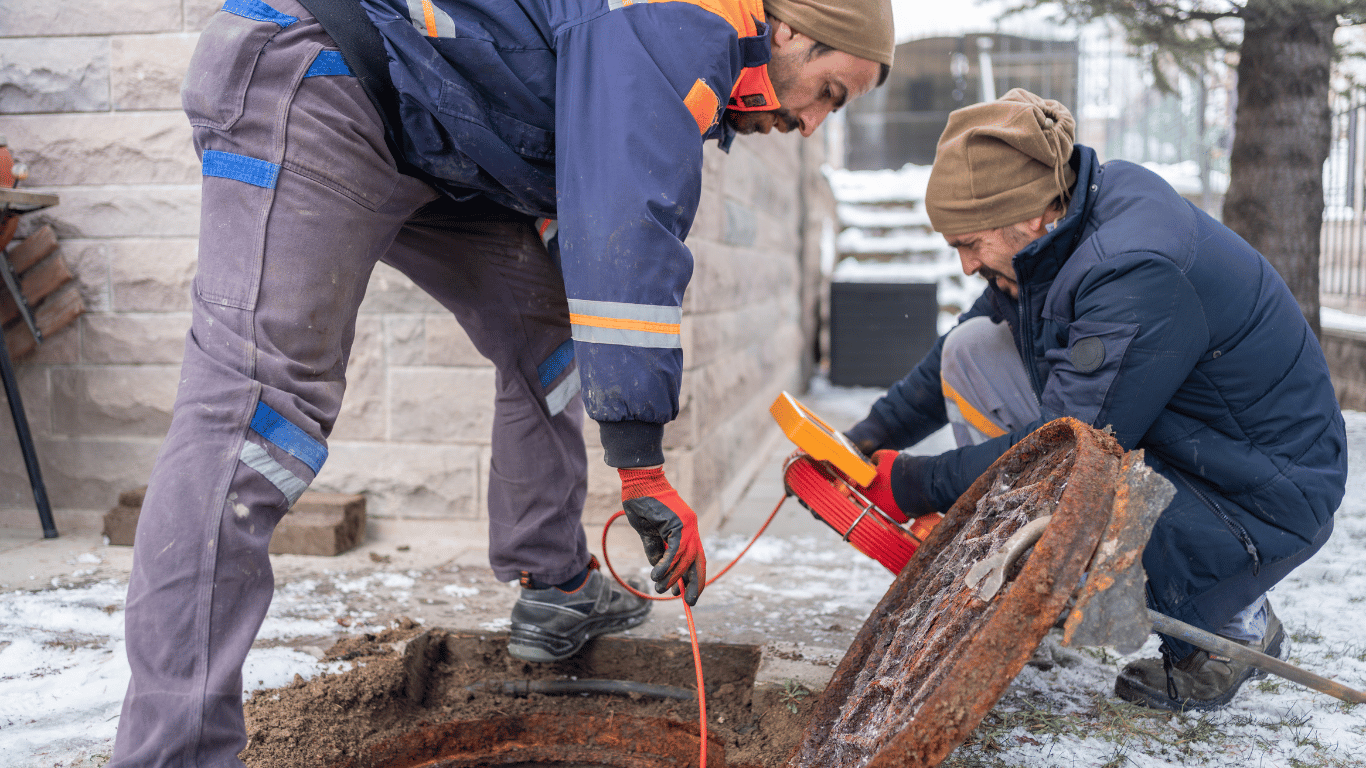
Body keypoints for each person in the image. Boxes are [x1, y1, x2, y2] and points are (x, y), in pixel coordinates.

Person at [109, 0, 893, 764]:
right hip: (324, 71)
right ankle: (175, 750)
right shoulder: (684, 24)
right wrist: (642, 468)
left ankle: (552, 581)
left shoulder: (686, 45)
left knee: (546, 332)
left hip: (433, 133)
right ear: (788, 29)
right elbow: (628, 223)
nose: (814, 122)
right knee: (257, 416)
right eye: (829, 92)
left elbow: (572, 140)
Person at [843, 88, 1347, 712]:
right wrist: (866, 439)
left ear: (1027, 216)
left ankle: (1228, 628)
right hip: (1185, 440)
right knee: (973, 348)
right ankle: (1023, 563)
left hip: (1257, 492)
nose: (968, 264)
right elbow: (978, 347)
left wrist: (912, 483)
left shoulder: (1132, 269)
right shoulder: (1061, 230)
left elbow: (1067, 447)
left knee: (1079, 530)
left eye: (968, 243)